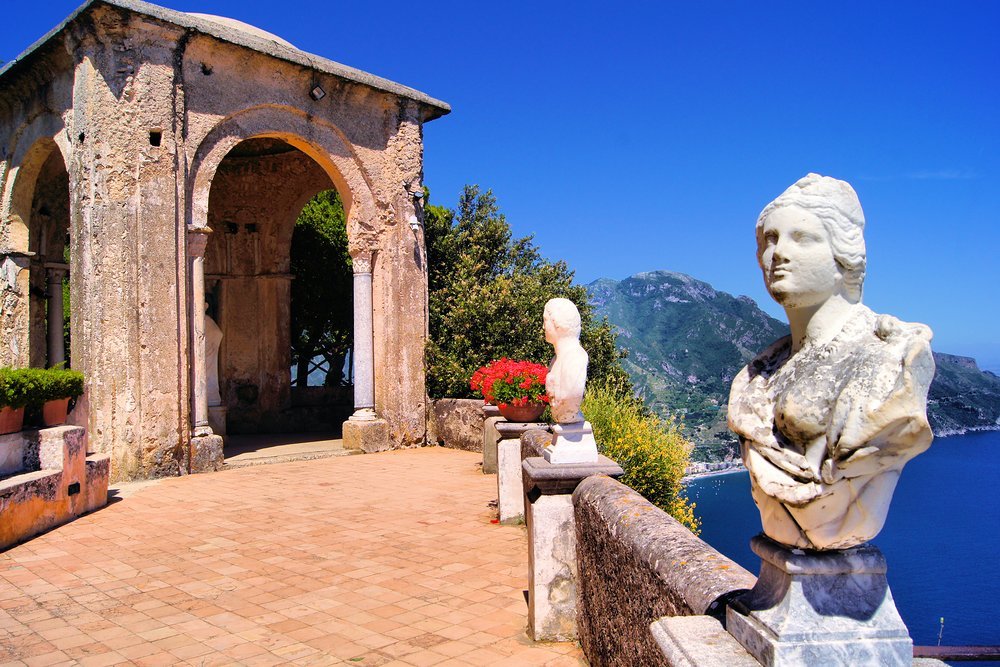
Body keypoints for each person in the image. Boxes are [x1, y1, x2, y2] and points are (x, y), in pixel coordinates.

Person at [728, 173, 935, 550]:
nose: (779, 254)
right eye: (770, 240)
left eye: (802, 238)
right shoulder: (756, 377)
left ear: (844, 256)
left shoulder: (891, 358)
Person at [543, 298, 588, 424]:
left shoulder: (576, 358)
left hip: (569, 431)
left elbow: (569, 396)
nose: (543, 326)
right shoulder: (555, 360)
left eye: (545, 321)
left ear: (557, 323)